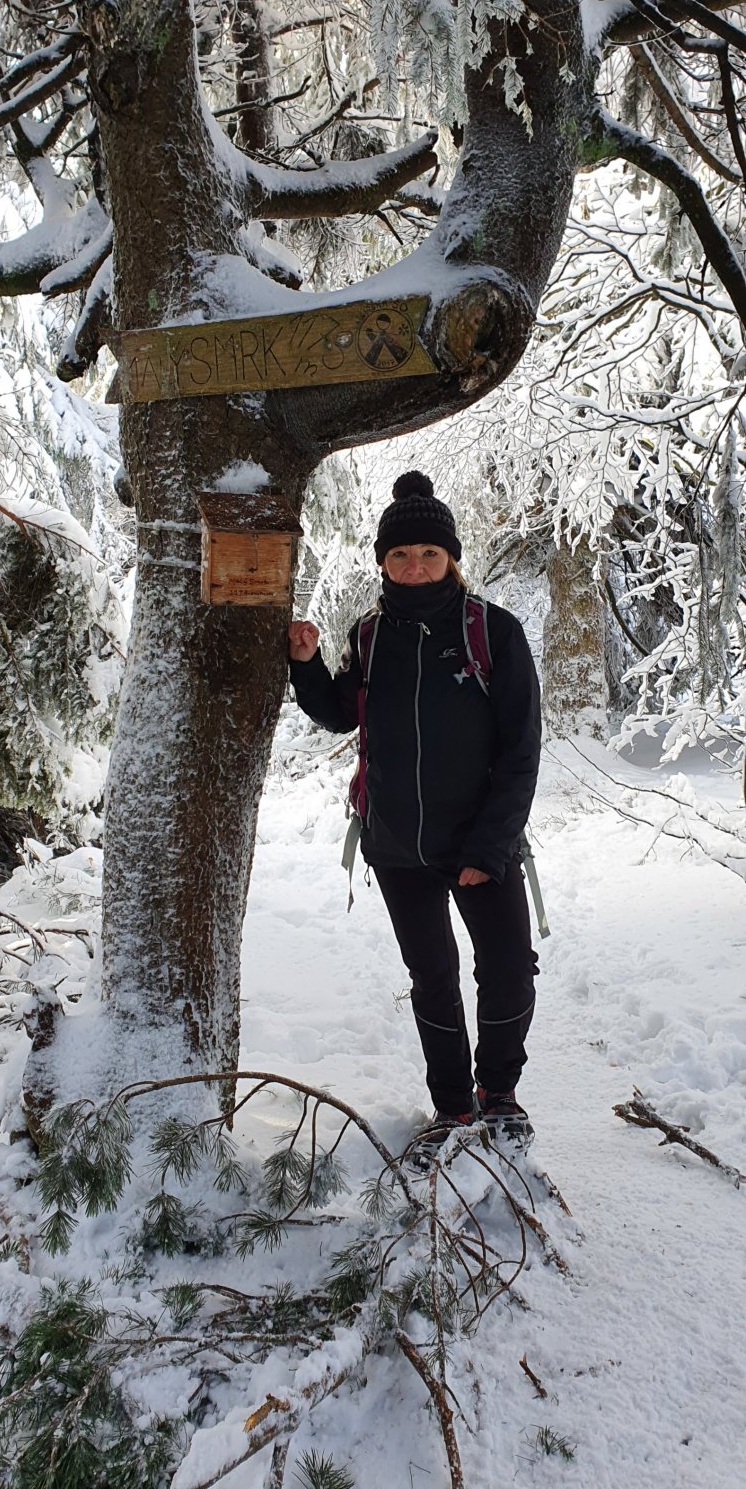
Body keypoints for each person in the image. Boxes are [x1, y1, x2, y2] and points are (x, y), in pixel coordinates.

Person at [288, 471, 541, 1155]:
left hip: (479, 842)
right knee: (432, 978)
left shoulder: (492, 631)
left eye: (429, 553)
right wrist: (306, 665)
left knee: (508, 968)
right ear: (383, 562)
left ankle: (499, 1094)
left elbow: (521, 750)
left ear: (450, 558)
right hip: (398, 845)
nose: (414, 565)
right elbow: (342, 713)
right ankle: (453, 1106)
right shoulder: (370, 636)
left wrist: (488, 848)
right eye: (400, 555)